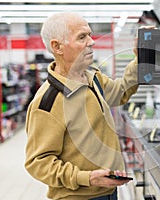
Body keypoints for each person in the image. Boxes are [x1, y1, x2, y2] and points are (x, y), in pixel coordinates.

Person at [25, 12, 140, 200]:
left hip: (109, 191)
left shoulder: (92, 78)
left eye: (90, 34)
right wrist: (86, 178)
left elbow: (119, 92)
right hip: (80, 196)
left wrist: (139, 60)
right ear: (57, 47)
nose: (91, 42)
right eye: (82, 37)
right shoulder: (48, 102)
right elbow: (38, 163)